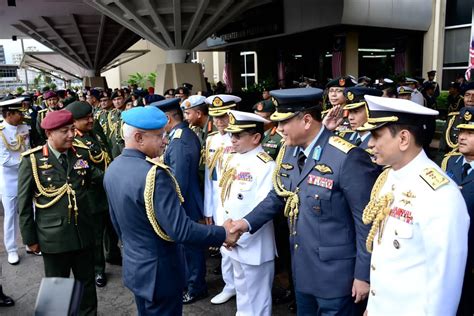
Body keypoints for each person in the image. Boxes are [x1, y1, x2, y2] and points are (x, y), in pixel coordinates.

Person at [231, 87, 379, 315]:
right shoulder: (290, 151)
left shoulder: (348, 157)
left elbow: (365, 222)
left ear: (307, 120)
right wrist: (246, 223)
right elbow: (278, 195)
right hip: (303, 271)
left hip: (337, 279)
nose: (278, 129)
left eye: (284, 122)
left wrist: (364, 275)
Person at [103, 106, 238, 315]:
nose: (165, 141)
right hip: (161, 274)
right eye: (159, 136)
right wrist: (223, 233)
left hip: (137, 268)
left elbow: (117, 224)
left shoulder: (114, 168)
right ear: (138, 137)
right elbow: (181, 230)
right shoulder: (155, 175)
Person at [356, 95, 469, 315]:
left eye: (376, 135)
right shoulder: (389, 178)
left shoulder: (440, 195)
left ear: (404, 139)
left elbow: (445, 281)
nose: (370, 143)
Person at [18, 110, 102, 315]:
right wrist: (30, 239)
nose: (71, 135)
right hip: (53, 238)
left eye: (72, 129)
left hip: (83, 234)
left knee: (87, 287)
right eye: (64, 131)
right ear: (49, 134)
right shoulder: (33, 161)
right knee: (57, 290)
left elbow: (94, 180)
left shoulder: (81, 154)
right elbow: (24, 205)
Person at [219, 110, 277, 315]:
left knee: (257, 301)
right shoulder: (234, 159)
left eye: (237, 135)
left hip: (253, 244)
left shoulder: (266, 165)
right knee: (243, 295)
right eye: (231, 135)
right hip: (232, 241)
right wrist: (224, 234)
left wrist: (236, 236)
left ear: (255, 138)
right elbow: (226, 201)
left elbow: (262, 209)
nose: (232, 140)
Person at [153, 98, 209, 304]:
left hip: (186, 201)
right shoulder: (180, 136)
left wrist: (169, 205)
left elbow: (179, 181)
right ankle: (191, 282)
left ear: (167, 119)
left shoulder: (180, 141)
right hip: (186, 200)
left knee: (191, 247)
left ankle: (196, 286)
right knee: (187, 246)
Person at [65, 101, 112, 288]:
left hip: (106, 191)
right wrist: (112, 177)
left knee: (111, 229)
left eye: (91, 116)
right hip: (92, 195)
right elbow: (84, 168)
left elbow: (106, 153)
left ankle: (113, 255)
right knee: (96, 235)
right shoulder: (73, 144)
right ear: (74, 122)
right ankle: (98, 269)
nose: (91, 120)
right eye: (86, 118)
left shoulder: (94, 135)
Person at [203, 94, 241, 305]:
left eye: (223, 116)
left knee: (241, 243)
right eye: (215, 117)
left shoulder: (240, 137)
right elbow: (211, 177)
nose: (219, 121)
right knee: (224, 244)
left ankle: (242, 286)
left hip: (238, 196)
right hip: (219, 199)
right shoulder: (211, 140)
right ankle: (230, 285)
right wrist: (208, 208)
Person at [441, 107, 474, 316]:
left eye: (470, 133)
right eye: (461, 131)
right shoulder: (449, 161)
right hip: (448, 253)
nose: (462, 137)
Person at [0, 97, 31, 264]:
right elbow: (4, 161)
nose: (21, 115)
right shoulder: (1, 132)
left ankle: (29, 242)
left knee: (28, 211)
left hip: (25, 178)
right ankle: (11, 249)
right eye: (18, 112)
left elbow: (28, 148)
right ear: (9, 114)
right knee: (11, 216)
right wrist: (26, 164)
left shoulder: (24, 127)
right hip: (9, 181)